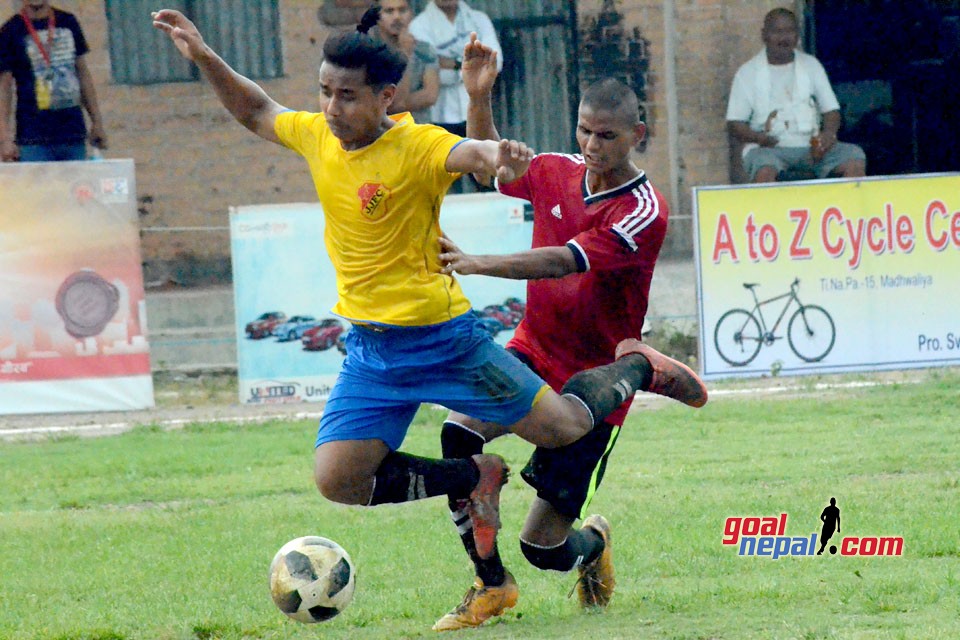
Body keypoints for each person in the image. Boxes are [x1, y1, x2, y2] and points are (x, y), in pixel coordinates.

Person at [151, 5, 707, 611]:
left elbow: (475, 160)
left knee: (559, 467)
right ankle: (487, 552)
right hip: (372, 351)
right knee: (339, 479)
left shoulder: (417, 145)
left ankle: (638, 370)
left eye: (347, 96)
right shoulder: (317, 135)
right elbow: (258, 109)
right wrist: (205, 56)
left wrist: (495, 157)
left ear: (385, 96)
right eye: (325, 93)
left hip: (449, 344)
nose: (332, 108)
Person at [429, 35, 682, 631]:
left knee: (543, 548)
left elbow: (563, 260)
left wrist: (481, 262)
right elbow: (492, 164)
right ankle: (489, 584)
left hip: (593, 388)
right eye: (585, 131)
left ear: (636, 136)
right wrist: (479, 97)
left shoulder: (645, 210)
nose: (592, 146)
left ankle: (592, 544)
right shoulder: (557, 171)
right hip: (532, 354)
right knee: (456, 433)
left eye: (608, 136)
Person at [726, 8, 865, 183]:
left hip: (811, 147)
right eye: (777, 32)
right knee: (764, 169)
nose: (784, 38)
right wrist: (759, 138)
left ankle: (846, 209)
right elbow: (735, 123)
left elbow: (831, 110)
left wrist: (827, 136)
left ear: (797, 34)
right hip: (768, 149)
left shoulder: (811, 65)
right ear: (764, 35)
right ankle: (770, 211)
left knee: (854, 157)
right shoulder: (747, 73)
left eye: (789, 31)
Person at [0, 1, 107, 162]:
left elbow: (82, 74)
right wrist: (4, 138)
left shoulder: (68, 22)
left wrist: (97, 122)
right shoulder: (10, 30)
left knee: (75, 186)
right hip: (32, 138)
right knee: (37, 188)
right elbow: (4, 88)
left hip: (72, 133)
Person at [409, 0, 501, 137]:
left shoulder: (479, 20)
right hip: (437, 117)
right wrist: (470, 68)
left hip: (478, 115)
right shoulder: (418, 26)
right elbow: (430, 74)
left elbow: (496, 63)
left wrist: (447, 63)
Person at [375, 0, 439, 124]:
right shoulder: (369, 51)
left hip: (419, 131)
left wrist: (397, 104)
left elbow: (431, 95)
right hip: (384, 132)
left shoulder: (424, 50)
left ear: (411, 14)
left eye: (402, 10)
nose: (397, 17)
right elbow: (392, 103)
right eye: (389, 11)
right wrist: (405, 55)